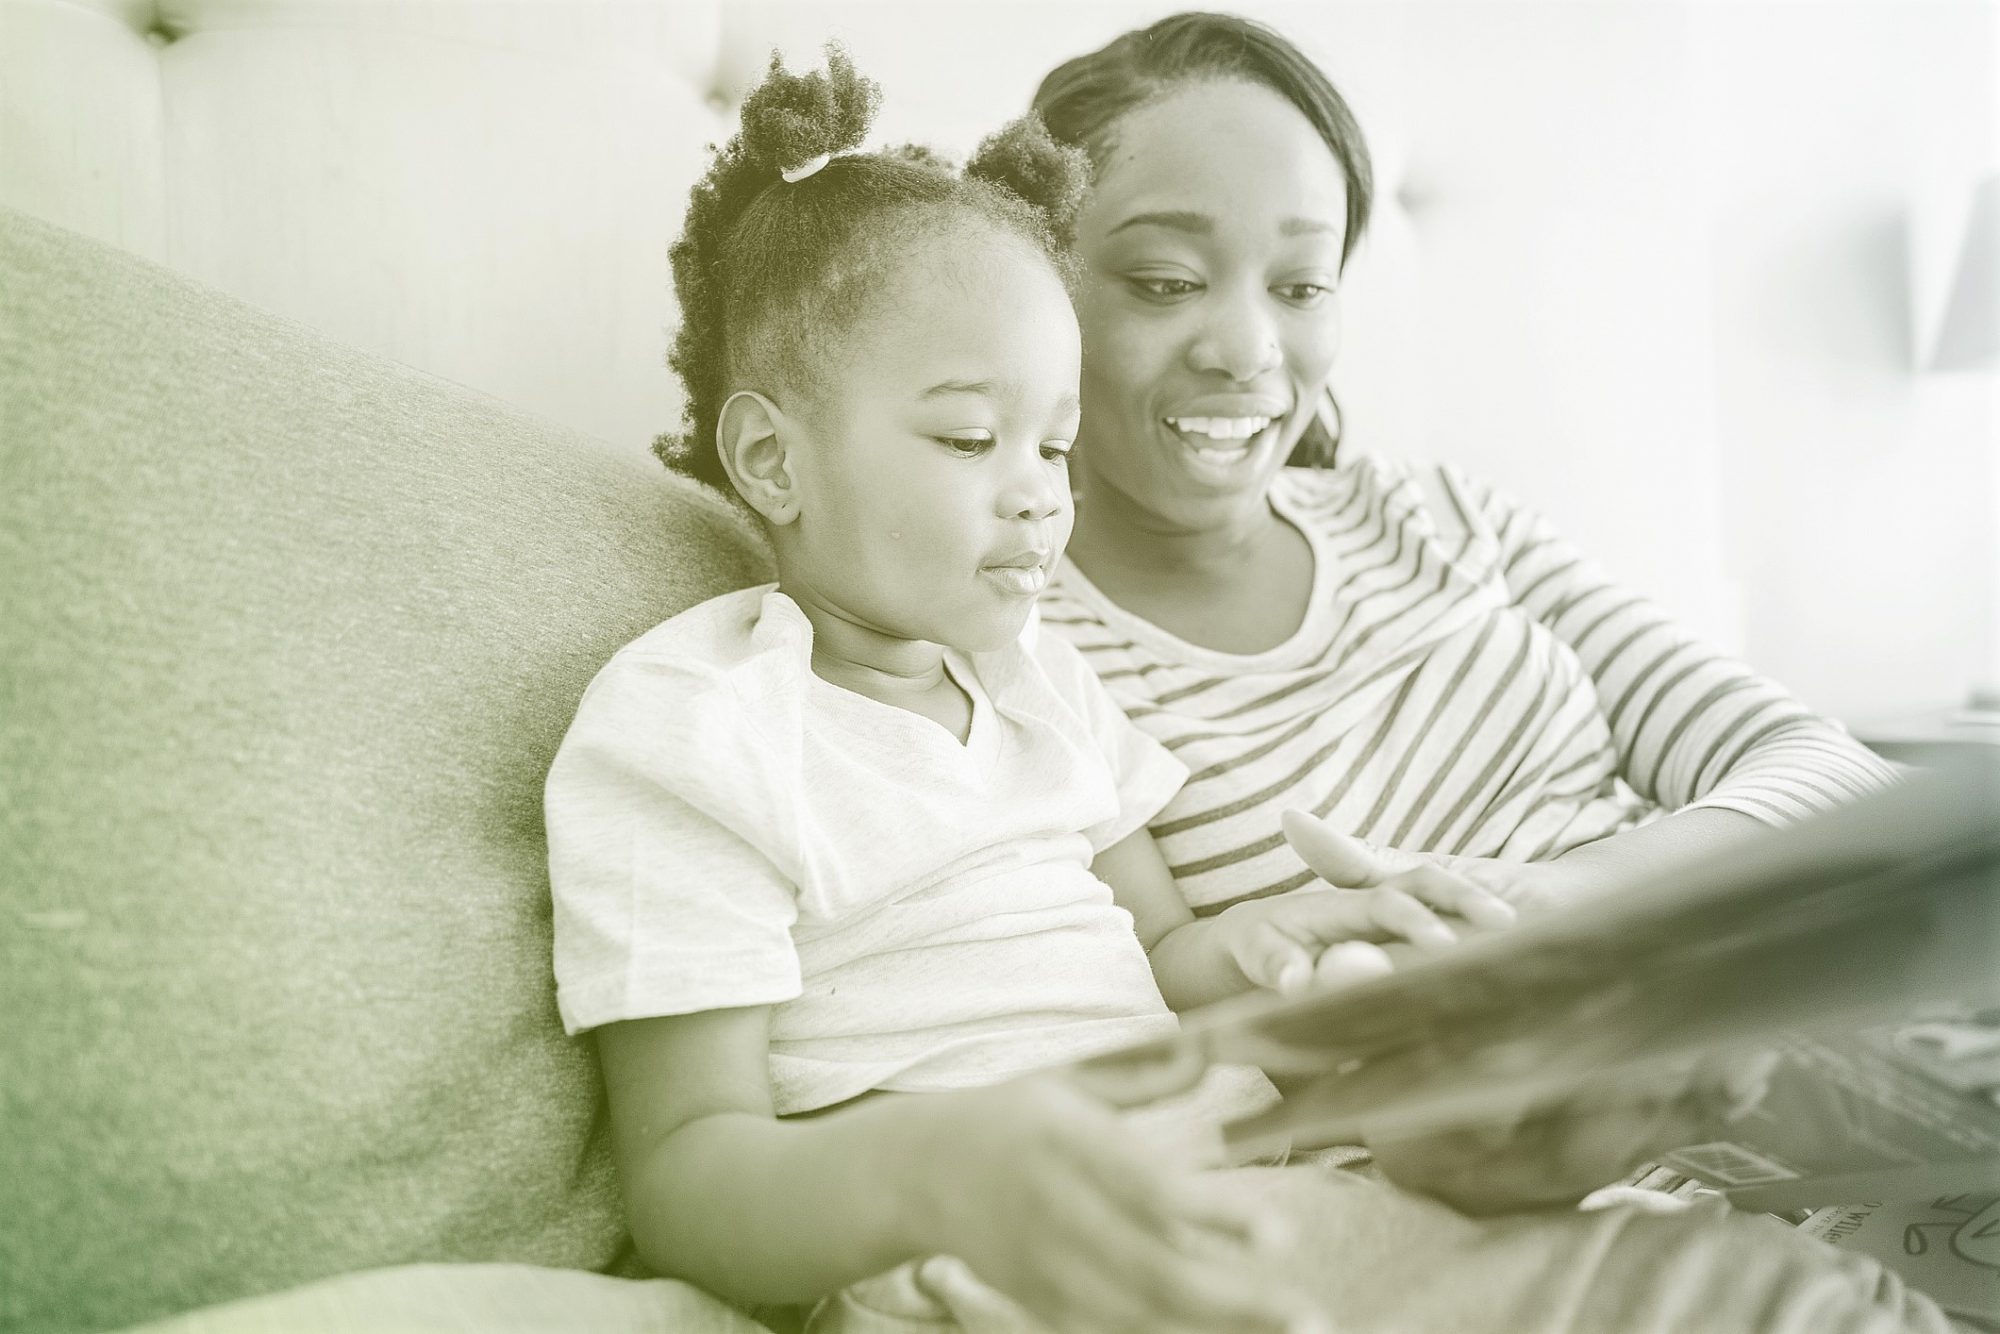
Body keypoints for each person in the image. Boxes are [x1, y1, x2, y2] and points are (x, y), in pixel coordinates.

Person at [546, 47, 1514, 1334]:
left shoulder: (1037, 680)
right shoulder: (695, 723)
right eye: (966, 437)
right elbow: (685, 1173)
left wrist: (1289, 939)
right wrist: (942, 1169)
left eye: (1052, 442)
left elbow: (1164, 952)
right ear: (772, 457)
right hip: (959, 1253)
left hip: (1216, 1187)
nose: (1037, 489)